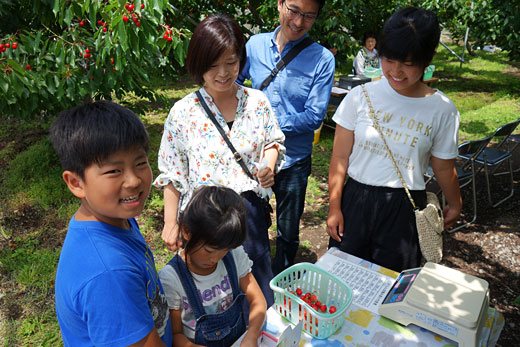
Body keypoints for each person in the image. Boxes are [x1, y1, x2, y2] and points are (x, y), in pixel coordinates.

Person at [154, 14, 285, 307]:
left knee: (256, 292)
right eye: (213, 65)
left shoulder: (257, 102)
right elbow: (173, 173)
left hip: (248, 216)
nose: (224, 73)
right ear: (198, 64)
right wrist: (170, 222)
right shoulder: (183, 112)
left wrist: (268, 163)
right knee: (210, 298)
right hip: (202, 219)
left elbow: (273, 142)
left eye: (231, 61)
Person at [326, 7, 462, 272]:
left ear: (427, 60)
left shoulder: (442, 109)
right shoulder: (360, 96)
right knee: (341, 275)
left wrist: (455, 202)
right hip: (355, 200)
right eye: (389, 59)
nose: (396, 71)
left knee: (392, 283)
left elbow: (443, 166)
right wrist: (334, 206)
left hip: (404, 208)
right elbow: (340, 157)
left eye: (409, 63)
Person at [50, 101, 172, 346]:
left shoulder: (116, 218)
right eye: (114, 171)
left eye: (140, 163)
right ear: (76, 183)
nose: (133, 180)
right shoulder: (108, 272)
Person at [238, 0, 335, 275]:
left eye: (309, 16)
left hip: (294, 160)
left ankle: (283, 276)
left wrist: (266, 124)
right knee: (251, 223)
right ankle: (254, 276)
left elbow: (314, 116)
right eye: (293, 10)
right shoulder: (254, 46)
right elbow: (236, 83)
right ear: (280, 4)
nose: (298, 21)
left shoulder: (322, 59)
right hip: (255, 161)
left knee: (289, 230)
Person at [159, 186, 267, 347]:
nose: (216, 258)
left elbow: (258, 301)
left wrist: (251, 335)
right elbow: (176, 335)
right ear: (187, 231)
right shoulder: (172, 278)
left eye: (225, 251)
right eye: (209, 250)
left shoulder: (234, 256)